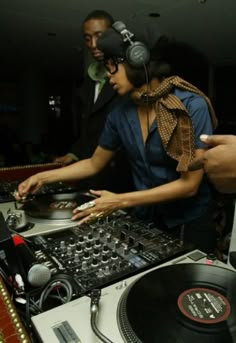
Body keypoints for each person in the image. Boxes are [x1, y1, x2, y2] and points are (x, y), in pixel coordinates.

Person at [16, 18, 218, 252]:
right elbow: (93, 163)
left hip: (189, 223)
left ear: (137, 60)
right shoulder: (119, 115)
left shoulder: (191, 107)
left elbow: (189, 185)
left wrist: (120, 200)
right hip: (146, 220)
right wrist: (43, 177)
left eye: (112, 65)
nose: (108, 75)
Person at [53, 10, 133, 192]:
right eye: (87, 38)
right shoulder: (90, 78)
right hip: (90, 175)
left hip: (121, 181)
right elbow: (89, 127)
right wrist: (74, 153)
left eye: (99, 36)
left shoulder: (131, 78)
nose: (93, 44)